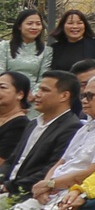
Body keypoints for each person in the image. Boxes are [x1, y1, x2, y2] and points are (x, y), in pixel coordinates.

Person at [4, 70, 81, 200]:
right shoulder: (33, 123)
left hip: (29, 194)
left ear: (64, 96)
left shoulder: (71, 127)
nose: (37, 95)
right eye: (39, 89)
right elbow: (12, 160)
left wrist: (8, 187)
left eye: (45, 90)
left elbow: (50, 168)